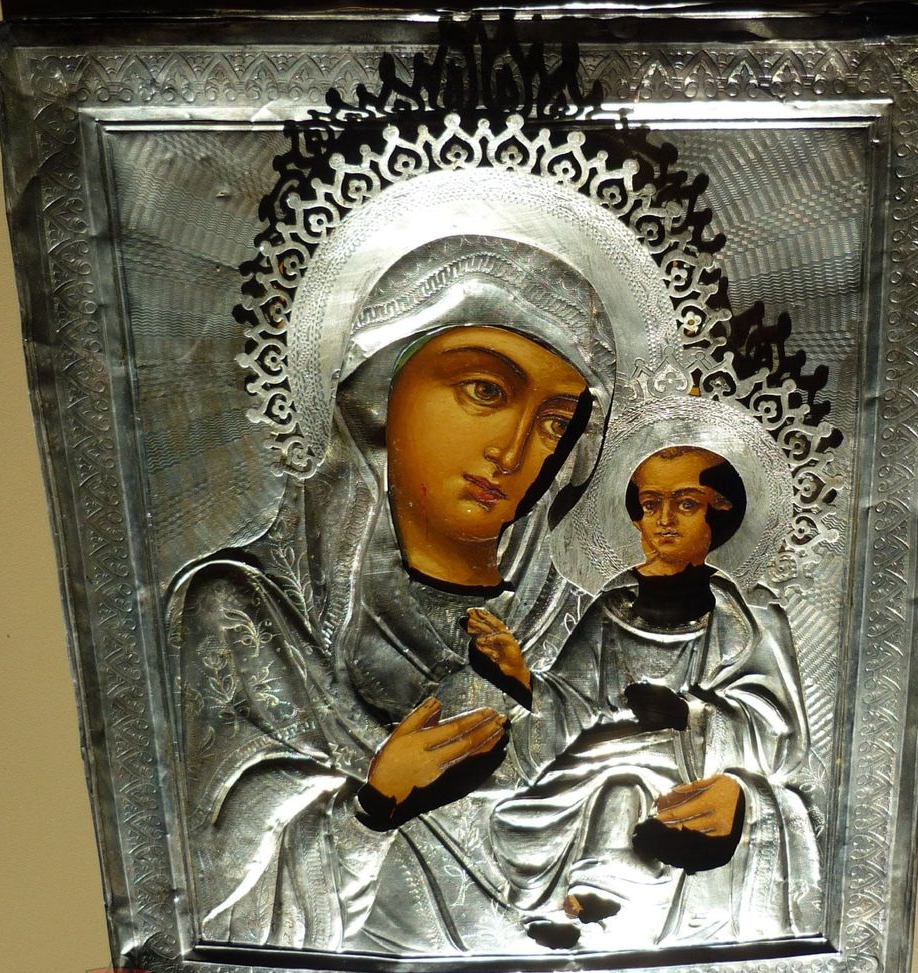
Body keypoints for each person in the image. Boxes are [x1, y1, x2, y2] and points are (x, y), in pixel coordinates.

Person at [167, 234, 616, 952]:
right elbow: (212, 913)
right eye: (485, 391)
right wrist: (373, 807)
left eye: (556, 421)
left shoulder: (579, 623)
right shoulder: (245, 615)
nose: (513, 451)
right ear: (379, 390)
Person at [483, 445, 821, 950]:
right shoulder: (611, 609)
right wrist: (519, 676)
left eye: (685, 503)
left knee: (624, 788)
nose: (664, 519)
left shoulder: (750, 620)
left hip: (683, 761)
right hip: (597, 754)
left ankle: (594, 899)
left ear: (719, 515)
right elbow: (571, 702)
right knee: (521, 817)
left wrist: (689, 714)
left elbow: (779, 733)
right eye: (650, 504)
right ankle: (568, 904)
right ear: (635, 518)